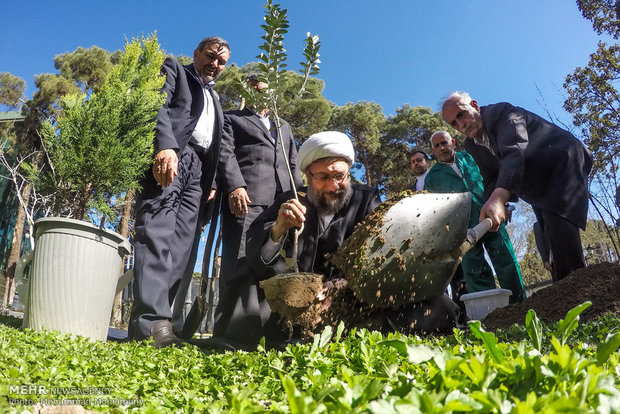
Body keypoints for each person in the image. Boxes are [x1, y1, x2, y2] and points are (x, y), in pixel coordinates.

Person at [210, 131, 458, 350]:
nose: (333, 185)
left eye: (340, 176)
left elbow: (386, 253)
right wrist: (278, 228)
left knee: (432, 304)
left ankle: (364, 326)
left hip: (354, 296)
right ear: (307, 175)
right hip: (294, 305)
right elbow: (260, 256)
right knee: (244, 280)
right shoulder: (290, 199)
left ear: (349, 172)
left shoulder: (366, 199)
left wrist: (340, 287)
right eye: (323, 177)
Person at [128, 37, 230, 348]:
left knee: (183, 247)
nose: (215, 64)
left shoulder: (216, 100)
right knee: (157, 234)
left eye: (221, 61)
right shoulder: (174, 70)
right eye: (210, 56)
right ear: (196, 53)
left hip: (199, 173)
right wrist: (166, 147)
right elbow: (157, 104)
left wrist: (212, 183)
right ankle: (147, 325)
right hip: (174, 155)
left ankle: (164, 324)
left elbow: (217, 144)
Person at [441, 92, 592, 282]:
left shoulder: (503, 113)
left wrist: (499, 198)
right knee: (547, 236)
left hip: (562, 162)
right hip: (536, 182)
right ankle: (565, 289)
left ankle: (579, 291)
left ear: (474, 105)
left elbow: (515, 150)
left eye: (461, 114)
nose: (461, 124)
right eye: (454, 123)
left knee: (559, 227)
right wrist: (496, 204)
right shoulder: (472, 145)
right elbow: (490, 178)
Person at [218, 76, 302, 295]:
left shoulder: (284, 126)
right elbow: (224, 152)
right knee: (240, 261)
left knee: (277, 263)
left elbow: (293, 162)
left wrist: (300, 197)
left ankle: (267, 325)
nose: (259, 93)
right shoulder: (231, 119)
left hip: (282, 205)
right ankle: (229, 327)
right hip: (247, 201)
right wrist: (236, 186)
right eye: (253, 89)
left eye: (263, 90)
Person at [425, 131, 526, 303]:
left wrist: (504, 203)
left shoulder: (472, 157)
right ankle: (491, 315)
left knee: (507, 261)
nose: (442, 147)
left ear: (453, 143)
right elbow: (435, 211)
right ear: (432, 151)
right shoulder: (432, 178)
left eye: (444, 143)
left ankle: (521, 304)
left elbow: (495, 180)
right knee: (475, 271)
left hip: (491, 218)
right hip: (463, 231)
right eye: (437, 145)